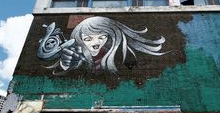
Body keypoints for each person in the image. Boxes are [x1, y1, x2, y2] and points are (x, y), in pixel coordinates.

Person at [39, 16, 167, 75]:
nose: (95, 42)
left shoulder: (119, 56)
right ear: (80, 38)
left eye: (102, 37)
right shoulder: (76, 55)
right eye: (88, 38)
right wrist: (65, 66)